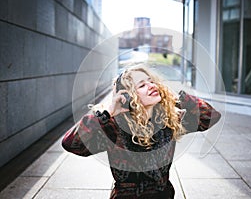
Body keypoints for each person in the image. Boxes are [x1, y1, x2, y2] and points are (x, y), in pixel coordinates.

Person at [62, 65, 221, 199]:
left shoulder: (168, 119)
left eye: (152, 82)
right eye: (142, 85)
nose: (152, 86)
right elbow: (71, 144)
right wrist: (109, 111)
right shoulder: (114, 125)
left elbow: (211, 117)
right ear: (127, 96)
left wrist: (179, 97)